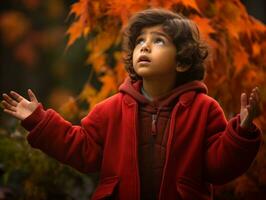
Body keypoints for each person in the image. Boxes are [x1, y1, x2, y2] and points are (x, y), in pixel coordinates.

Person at [1, 8, 262, 200]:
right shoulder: (111, 108)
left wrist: (242, 132)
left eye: (158, 40)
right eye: (140, 41)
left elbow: (218, 167)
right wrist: (39, 119)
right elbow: (81, 150)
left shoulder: (205, 109)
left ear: (181, 61)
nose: (145, 46)